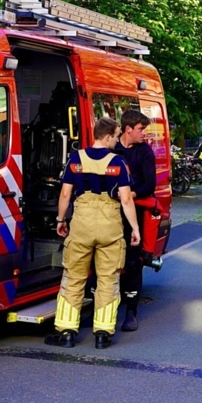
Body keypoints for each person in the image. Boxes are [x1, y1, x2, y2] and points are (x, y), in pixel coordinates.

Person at [46, 117, 140, 350]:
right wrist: (135, 229)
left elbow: (65, 195)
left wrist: (60, 219)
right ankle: (102, 334)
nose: (117, 140)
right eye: (116, 136)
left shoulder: (76, 158)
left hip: (82, 224)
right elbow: (126, 199)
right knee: (108, 280)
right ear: (107, 136)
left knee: (74, 278)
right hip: (109, 225)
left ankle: (66, 331)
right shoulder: (118, 162)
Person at [115, 109, 156, 333]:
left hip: (135, 212)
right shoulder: (113, 148)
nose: (143, 133)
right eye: (140, 129)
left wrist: (131, 194)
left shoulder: (144, 152)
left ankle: (131, 312)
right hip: (110, 213)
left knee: (133, 261)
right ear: (128, 129)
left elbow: (150, 184)